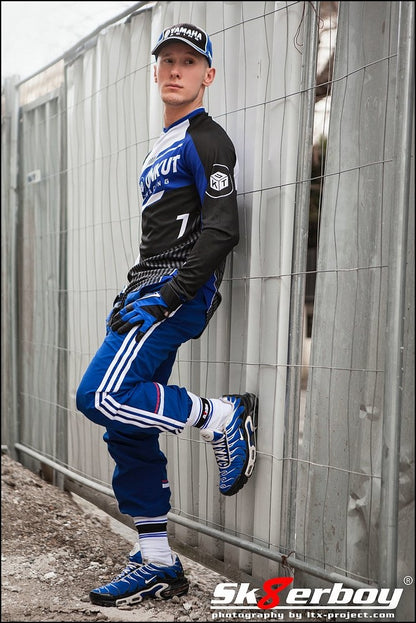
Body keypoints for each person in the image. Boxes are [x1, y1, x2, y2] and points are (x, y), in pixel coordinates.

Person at [76, 22, 258, 608]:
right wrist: (134, 288)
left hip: (175, 293)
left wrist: (170, 293)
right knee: (126, 423)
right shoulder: (161, 144)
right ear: (155, 71)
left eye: (189, 62)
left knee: (99, 395)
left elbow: (222, 230)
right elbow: (160, 237)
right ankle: (156, 559)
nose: (176, 70)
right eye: (167, 61)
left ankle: (220, 416)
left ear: (208, 75)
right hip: (148, 289)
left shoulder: (208, 139)